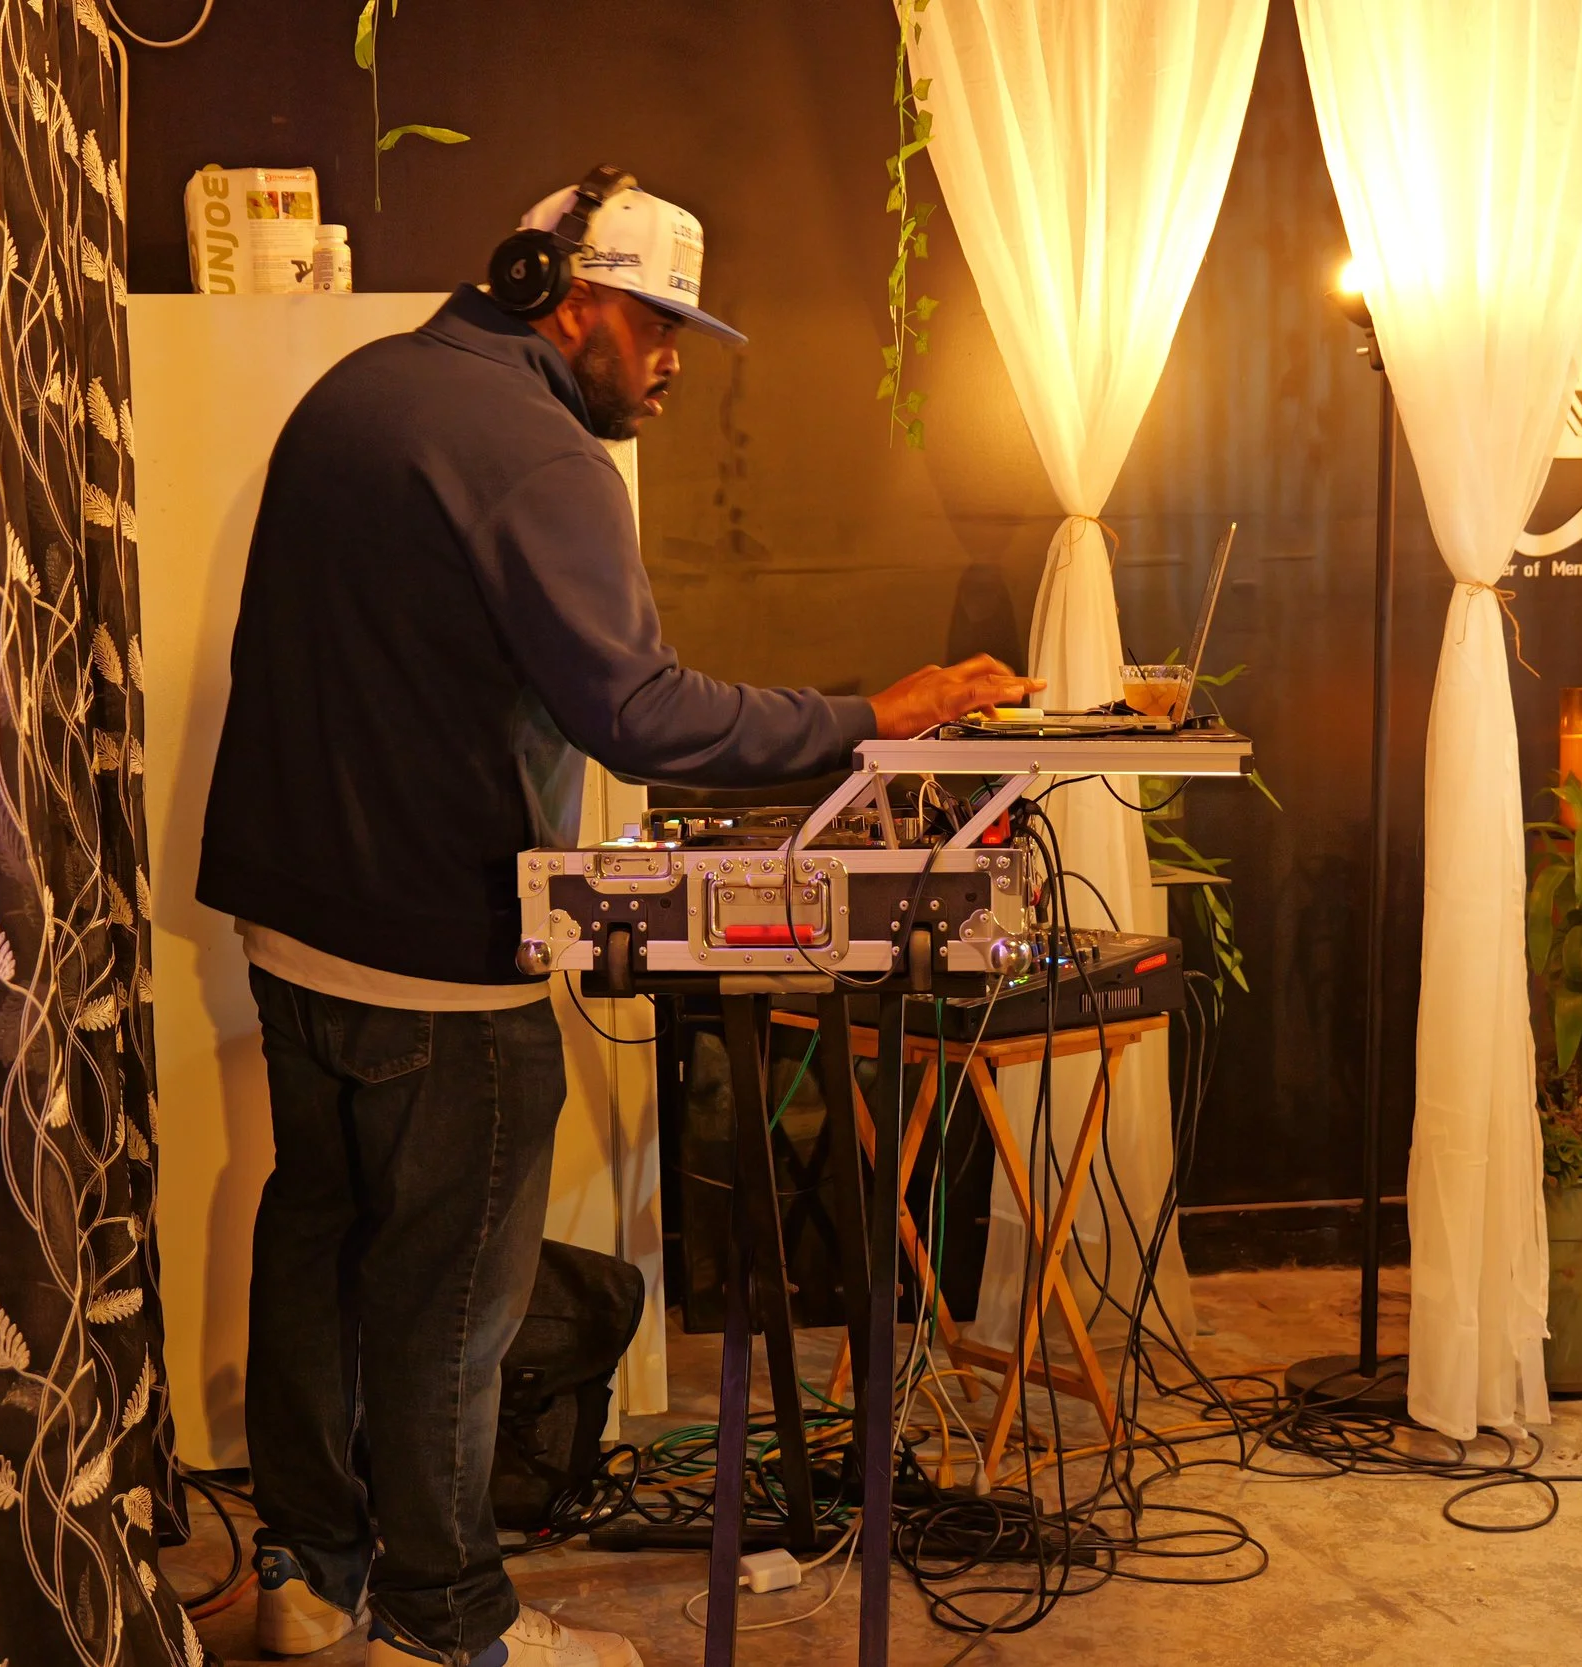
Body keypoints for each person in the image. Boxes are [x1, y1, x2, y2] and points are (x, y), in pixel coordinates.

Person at [196, 168, 1037, 1667]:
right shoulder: (537, 451)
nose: (667, 362)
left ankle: (310, 1575)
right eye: (653, 324)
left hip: (289, 929)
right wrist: (870, 717)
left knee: (316, 1251)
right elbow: (639, 713)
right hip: (435, 956)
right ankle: (449, 1629)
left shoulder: (361, 391)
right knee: (451, 1300)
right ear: (563, 295)